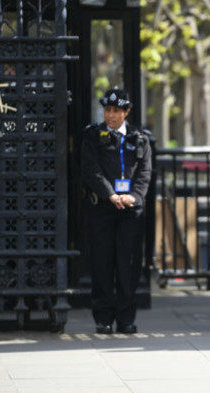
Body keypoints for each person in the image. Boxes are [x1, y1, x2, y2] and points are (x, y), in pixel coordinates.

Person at [81, 88, 152, 335]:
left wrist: (132, 196)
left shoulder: (139, 137)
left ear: (126, 112)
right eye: (108, 110)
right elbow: (90, 169)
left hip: (130, 210)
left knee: (129, 264)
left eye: (116, 111)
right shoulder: (92, 135)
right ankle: (103, 318)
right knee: (102, 263)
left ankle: (126, 318)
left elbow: (145, 172)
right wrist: (110, 194)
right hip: (102, 207)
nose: (111, 116)